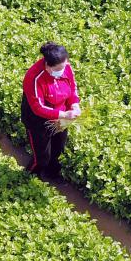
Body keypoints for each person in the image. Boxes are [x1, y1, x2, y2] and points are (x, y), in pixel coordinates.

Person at [21, 42, 81, 178]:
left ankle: (52, 174)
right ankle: (30, 176)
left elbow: (72, 89)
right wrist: (63, 114)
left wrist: (75, 105)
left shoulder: (65, 67)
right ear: (48, 66)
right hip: (38, 121)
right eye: (59, 69)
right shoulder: (34, 78)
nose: (62, 71)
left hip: (61, 116)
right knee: (42, 157)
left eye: (64, 66)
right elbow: (38, 108)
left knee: (58, 148)